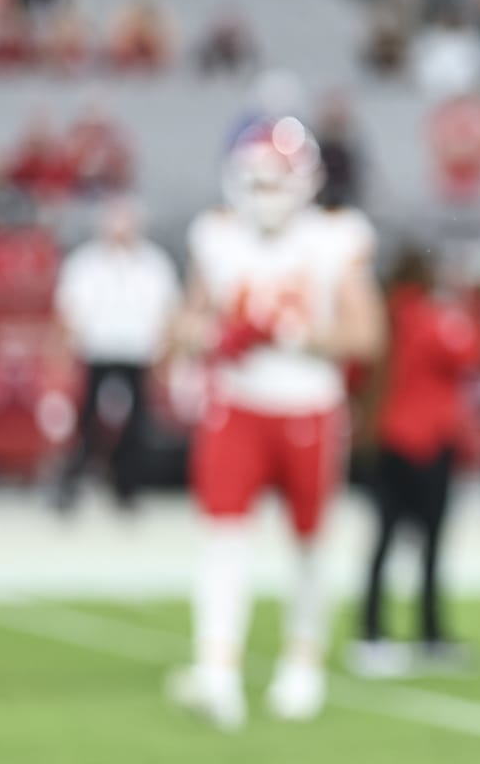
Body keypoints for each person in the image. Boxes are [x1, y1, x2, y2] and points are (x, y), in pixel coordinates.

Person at [164, 117, 384, 730]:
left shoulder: (335, 240)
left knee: (310, 545)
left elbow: (366, 336)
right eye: (256, 179)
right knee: (222, 539)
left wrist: (290, 334)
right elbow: (183, 324)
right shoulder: (217, 237)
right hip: (237, 405)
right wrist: (213, 335)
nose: (265, 191)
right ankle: (217, 668)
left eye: (276, 178)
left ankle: (303, 661)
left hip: (308, 407)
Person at [350, 247, 480, 678]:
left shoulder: (381, 317)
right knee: (430, 545)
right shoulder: (433, 317)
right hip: (429, 442)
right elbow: (470, 353)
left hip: (384, 440)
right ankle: (429, 635)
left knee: (383, 541)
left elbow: (355, 373)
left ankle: (372, 633)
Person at [53, 195, 179, 513]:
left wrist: (166, 352)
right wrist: (65, 349)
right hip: (97, 353)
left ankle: (127, 489)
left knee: (137, 426)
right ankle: (72, 486)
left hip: (138, 355)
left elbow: (168, 312)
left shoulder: (154, 263)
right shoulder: (84, 263)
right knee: (86, 424)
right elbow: (68, 311)